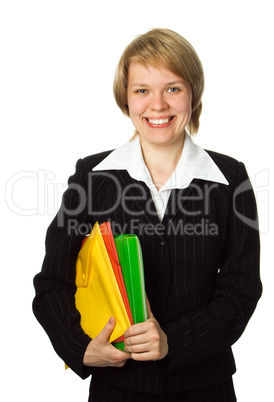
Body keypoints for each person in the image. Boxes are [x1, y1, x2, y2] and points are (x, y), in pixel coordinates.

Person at [33, 28, 262, 401]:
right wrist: (78, 348)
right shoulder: (92, 177)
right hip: (118, 386)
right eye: (142, 90)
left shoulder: (230, 178)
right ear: (126, 99)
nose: (157, 105)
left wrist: (174, 341)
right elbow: (52, 281)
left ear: (194, 94)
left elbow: (241, 289)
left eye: (173, 88)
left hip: (205, 385)